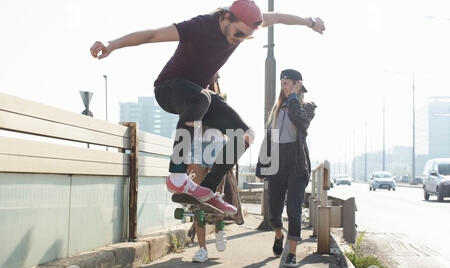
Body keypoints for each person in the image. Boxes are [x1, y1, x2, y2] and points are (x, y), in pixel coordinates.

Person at [90, 0, 325, 218]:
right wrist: (112, 45)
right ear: (226, 18)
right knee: (202, 98)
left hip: (198, 97)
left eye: (247, 37)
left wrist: (310, 22)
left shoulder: (243, 27)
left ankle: (207, 189)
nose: (240, 39)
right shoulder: (198, 26)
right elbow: (151, 35)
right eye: (239, 33)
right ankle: (177, 174)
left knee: (245, 134)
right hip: (168, 89)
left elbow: (280, 17)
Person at [255, 69, 316, 267]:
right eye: (282, 83)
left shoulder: (307, 107)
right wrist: (261, 164)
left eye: (287, 83)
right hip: (276, 162)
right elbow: (268, 139)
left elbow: (300, 122)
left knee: (294, 209)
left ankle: (292, 253)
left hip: (297, 162)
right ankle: (278, 235)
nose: (283, 87)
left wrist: (292, 98)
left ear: (297, 85)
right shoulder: (277, 109)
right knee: (274, 208)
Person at [187, 73, 244, 263]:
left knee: (214, 198)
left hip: (217, 150)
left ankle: (220, 228)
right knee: (197, 202)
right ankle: (202, 249)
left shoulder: (221, 100)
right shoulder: (192, 95)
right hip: (196, 149)